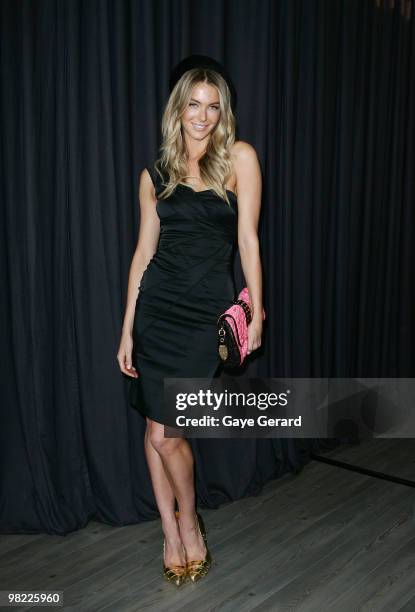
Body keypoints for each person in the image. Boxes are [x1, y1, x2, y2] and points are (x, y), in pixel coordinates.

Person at [117, 55, 264, 586]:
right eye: (193, 106)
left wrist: (255, 307)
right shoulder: (154, 176)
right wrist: (127, 327)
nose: (202, 117)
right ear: (177, 110)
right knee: (157, 428)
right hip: (157, 309)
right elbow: (142, 255)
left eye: (213, 107)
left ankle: (191, 520)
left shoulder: (238, 160)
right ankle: (173, 532)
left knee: (167, 433)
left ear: (222, 113)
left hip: (205, 317)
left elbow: (248, 240)